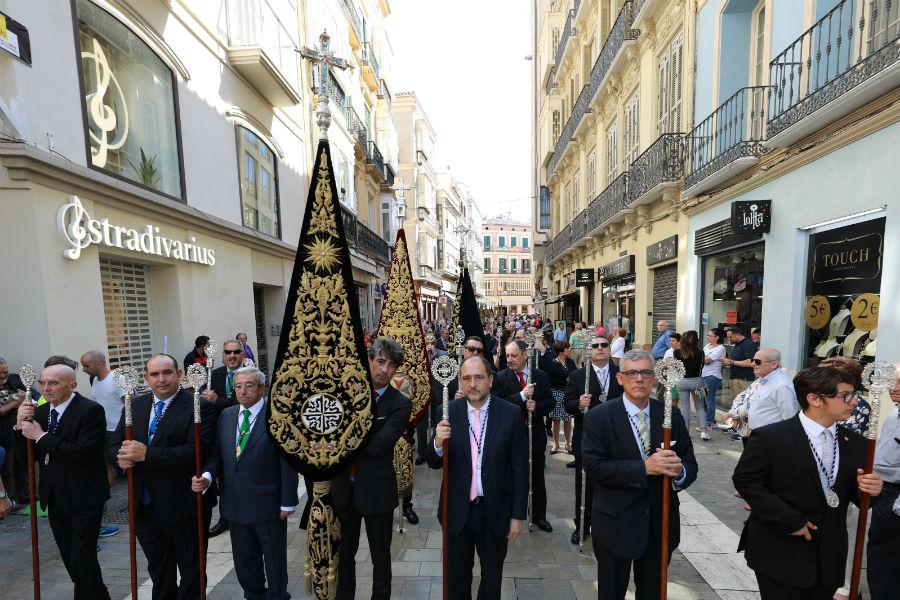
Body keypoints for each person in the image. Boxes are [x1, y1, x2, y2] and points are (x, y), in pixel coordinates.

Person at [732, 366, 883, 599]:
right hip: (780, 552)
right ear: (814, 398)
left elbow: (855, 495)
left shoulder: (855, 442)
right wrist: (788, 520)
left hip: (829, 557)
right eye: (846, 396)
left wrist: (871, 490)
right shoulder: (771, 437)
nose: (854, 402)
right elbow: (746, 481)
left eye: (855, 394)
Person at [582, 349, 698, 600]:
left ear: (655, 378)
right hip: (616, 524)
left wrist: (679, 472)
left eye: (646, 372)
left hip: (660, 524)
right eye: (632, 373)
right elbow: (594, 467)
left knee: (653, 593)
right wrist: (644, 468)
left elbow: (690, 463)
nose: (639, 379)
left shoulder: (669, 415)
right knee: (611, 593)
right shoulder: (599, 417)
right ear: (620, 378)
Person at [113, 354, 217, 600]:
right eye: (155, 374)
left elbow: (197, 452)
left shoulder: (198, 406)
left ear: (179, 374)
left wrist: (148, 454)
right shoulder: (134, 405)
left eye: (167, 372)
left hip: (185, 504)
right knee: (159, 571)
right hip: (144, 506)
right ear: (146, 378)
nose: (162, 379)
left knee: (192, 571)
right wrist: (120, 459)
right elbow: (115, 443)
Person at [192, 367, 298, 600]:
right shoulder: (227, 416)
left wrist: (288, 501)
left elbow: (287, 460)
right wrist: (207, 476)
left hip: (268, 504)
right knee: (244, 559)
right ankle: (254, 594)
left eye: (249, 385)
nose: (243, 390)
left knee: (274, 559)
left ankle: (279, 595)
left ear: (261, 388)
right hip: (235, 503)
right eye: (238, 386)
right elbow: (218, 454)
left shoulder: (277, 416)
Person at [427, 356, 527, 600]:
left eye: (479, 377)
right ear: (460, 382)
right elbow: (432, 461)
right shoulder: (447, 412)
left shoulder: (511, 414)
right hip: (456, 511)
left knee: (492, 580)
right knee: (456, 579)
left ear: (490, 380)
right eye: (466, 378)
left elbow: (520, 469)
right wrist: (438, 443)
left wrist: (517, 515)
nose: (473, 384)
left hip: (495, 511)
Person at [16, 364, 111, 599]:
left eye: (54, 383)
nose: (46, 388)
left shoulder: (91, 411)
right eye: (43, 383)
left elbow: (81, 452)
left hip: (85, 496)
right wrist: (19, 424)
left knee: (82, 557)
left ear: (72, 385)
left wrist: (41, 436)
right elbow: (22, 455)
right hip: (54, 497)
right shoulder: (39, 412)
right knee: (72, 559)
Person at [331, 338, 412, 600]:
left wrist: (352, 419)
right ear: (369, 360)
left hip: (377, 491)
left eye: (391, 365)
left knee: (381, 559)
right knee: (344, 557)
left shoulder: (399, 403)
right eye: (380, 362)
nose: (384, 369)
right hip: (343, 490)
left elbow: (378, 446)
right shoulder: (347, 392)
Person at [564, 335, 624, 545]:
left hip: (615, 439)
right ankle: (581, 524)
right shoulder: (579, 375)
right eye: (595, 346)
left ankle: (611, 524)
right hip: (587, 437)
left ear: (610, 349)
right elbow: (567, 403)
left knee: (615, 482)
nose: (600, 348)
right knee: (584, 483)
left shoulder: (620, 374)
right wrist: (578, 404)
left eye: (604, 345)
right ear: (589, 350)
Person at [491, 340, 554, 532]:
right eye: (507, 356)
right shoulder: (500, 377)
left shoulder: (540, 376)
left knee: (537, 478)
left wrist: (538, 407)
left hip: (534, 435)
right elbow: (498, 404)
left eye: (513, 355)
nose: (509, 359)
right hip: (511, 437)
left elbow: (550, 400)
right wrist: (522, 396)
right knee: (511, 477)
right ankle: (511, 514)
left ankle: (539, 516)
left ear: (525, 355)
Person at [201, 339, 245, 537]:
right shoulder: (215, 374)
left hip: (243, 432)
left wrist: (217, 400)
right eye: (228, 352)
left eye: (236, 351)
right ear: (223, 356)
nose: (232, 355)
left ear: (242, 354)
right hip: (218, 433)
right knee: (222, 477)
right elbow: (206, 403)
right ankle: (225, 518)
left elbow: (242, 404)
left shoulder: (249, 375)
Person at [79, 350, 125, 538]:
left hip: (119, 433)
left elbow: (131, 404)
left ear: (99, 364)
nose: (83, 370)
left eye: (86, 365)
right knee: (105, 473)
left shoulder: (117, 378)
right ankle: (100, 516)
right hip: (103, 433)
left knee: (129, 468)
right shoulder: (94, 381)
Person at [867, 363, 900, 600]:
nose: (894, 388)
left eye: (899, 383)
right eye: (893, 381)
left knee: (888, 565)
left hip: (895, 500)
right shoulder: (895, 412)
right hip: (883, 492)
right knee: (882, 564)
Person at [0, 358, 28, 508]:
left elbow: (27, 395)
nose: (3, 376)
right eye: (0, 373)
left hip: (13, 429)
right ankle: (9, 501)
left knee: (19, 462)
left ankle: (24, 495)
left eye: (5, 372)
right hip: (2, 434)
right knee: (6, 468)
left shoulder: (13, 380)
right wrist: (15, 402)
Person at [547, 341, 576, 454]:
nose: (570, 350)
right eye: (568, 349)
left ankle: (568, 443)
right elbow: (551, 379)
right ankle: (556, 443)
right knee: (556, 419)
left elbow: (574, 375)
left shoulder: (571, 362)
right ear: (562, 351)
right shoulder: (553, 363)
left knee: (568, 419)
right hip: (556, 393)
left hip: (569, 393)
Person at [674, 330, 705, 434]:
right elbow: (702, 365)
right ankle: (704, 431)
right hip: (698, 381)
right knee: (700, 406)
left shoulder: (677, 352)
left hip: (682, 381)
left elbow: (677, 368)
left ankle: (685, 431)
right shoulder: (701, 351)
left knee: (684, 407)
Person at [700, 330, 726, 440]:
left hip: (713, 376)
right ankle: (709, 421)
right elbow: (702, 358)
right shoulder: (707, 346)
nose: (708, 337)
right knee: (703, 398)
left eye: (710, 335)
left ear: (717, 337)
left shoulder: (720, 348)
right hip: (704, 375)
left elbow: (706, 361)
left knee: (709, 399)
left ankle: (709, 422)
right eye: (707, 335)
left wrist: (702, 359)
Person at [722, 326, 757, 399]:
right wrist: (728, 361)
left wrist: (732, 362)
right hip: (735, 378)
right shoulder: (737, 344)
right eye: (728, 337)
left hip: (743, 379)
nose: (729, 339)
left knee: (742, 405)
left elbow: (751, 362)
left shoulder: (748, 344)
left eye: (731, 337)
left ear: (737, 334)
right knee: (735, 404)